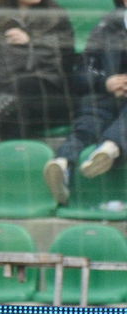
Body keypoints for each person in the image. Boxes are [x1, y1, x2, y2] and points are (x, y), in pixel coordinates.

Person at [0, 0, 75, 158]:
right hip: (6, 99)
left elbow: (64, 65)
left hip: (47, 96)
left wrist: (30, 43)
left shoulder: (55, 15)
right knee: (15, 109)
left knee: (24, 87)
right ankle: (18, 166)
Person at [43, 0, 127, 204]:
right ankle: (62, 164)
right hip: (108, 96)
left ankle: (109, 148)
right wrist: (105, 82)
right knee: (90, 119)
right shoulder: (105, 27)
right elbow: (81, 74)